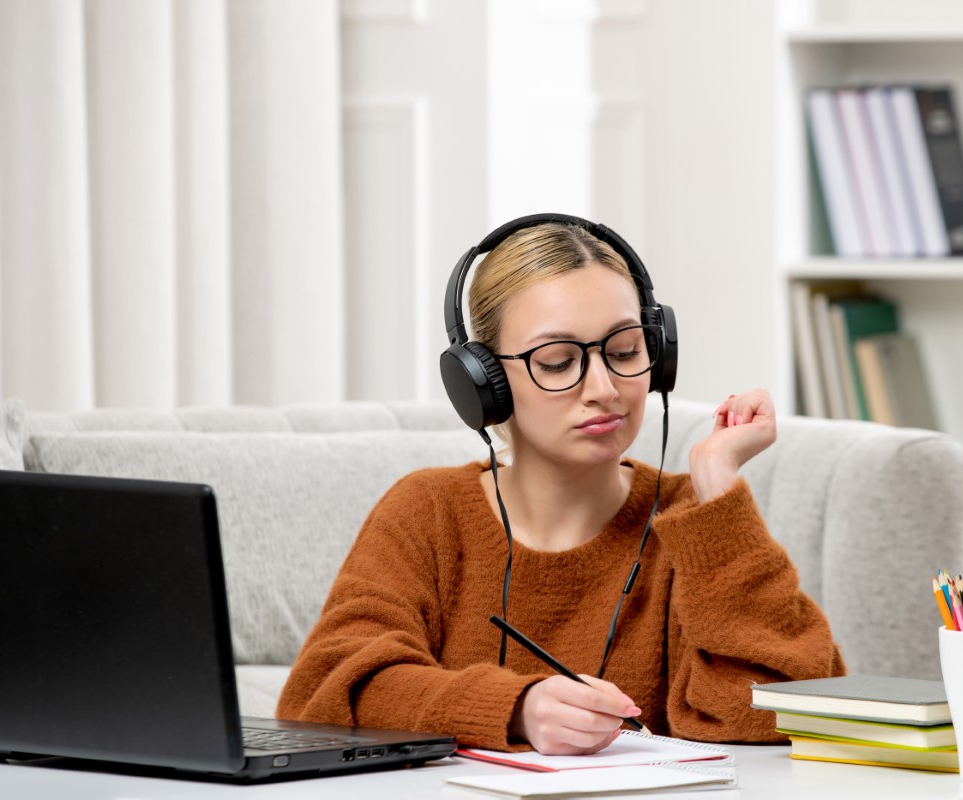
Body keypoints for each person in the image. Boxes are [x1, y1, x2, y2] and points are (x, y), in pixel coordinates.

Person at [277, 219, 846, 755]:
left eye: (625, 352)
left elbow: (782, 715)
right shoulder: (427, 512)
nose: (603, 387)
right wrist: (516, 709)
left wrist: (717, 492)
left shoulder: (693, 525)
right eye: (557, 362)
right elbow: (325, 694)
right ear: (485, 382)